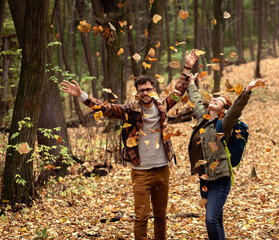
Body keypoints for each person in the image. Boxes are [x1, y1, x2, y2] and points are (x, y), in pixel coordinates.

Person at [60, 50, 199, 240]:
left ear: (154, 90)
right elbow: (105, 108)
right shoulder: (129, 110)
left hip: (162, 169)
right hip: (141, 171)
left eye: (148, 89)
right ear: (137, 92)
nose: (145, 93)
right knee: (141, 216)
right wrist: (82, 95)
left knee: (160, 216)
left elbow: (179, 90)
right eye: (141, 90)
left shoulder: (162, 105)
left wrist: (187, 66)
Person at [186, 74, 266, 240]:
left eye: (220, 100)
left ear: (223, 110)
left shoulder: (224, 124)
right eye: (214, 98)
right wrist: (191, 83)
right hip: (205, 179)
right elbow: (196, 101)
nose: (215, 99)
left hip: (221, 179)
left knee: (210, 220)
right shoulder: (203, 119)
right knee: (218, 220)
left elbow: (236, 109)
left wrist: (248, 90)